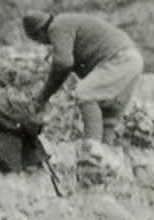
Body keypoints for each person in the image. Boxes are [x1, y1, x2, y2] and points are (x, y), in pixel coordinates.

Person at [25, 9, 146, 146]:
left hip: (119, 59)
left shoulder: (57, 27)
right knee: (108, 117)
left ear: (38, 32)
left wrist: (42, 98)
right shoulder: (68, 22)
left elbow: (63, 63)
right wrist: (44, 97)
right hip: (133, 60)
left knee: (85, 93)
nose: (43, 44)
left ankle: (91, 150)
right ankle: (106, 159)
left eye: (37, 40)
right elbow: (64, 66)